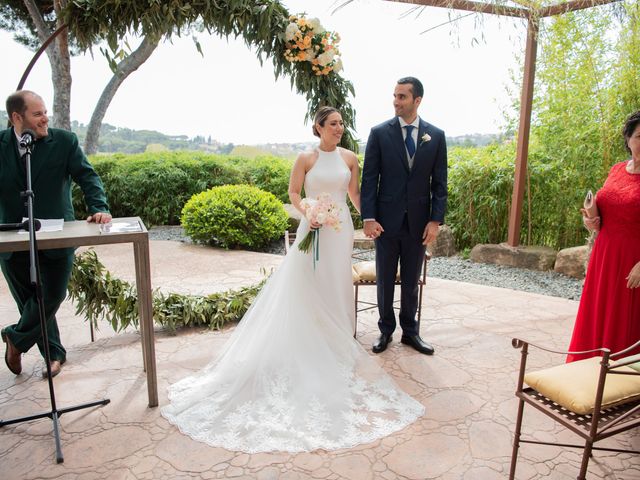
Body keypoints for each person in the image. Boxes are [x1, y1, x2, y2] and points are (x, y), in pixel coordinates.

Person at [162, 106, 424, 453]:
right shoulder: (305, 158)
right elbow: (294, 194)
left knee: (337, 282)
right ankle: (310, 340)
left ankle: (338, 342)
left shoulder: (349, 158)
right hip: (313, 228)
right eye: (333, 124)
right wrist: (308, 213)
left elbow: (356, 195)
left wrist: (370, 219)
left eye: (342, 124)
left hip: (340, 228)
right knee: (309, 281)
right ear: (318, 127)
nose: (339, 129)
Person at [0, 90, 111, 378]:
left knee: (52, 294)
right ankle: (54, 354)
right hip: (11, 240)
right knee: (30, 301)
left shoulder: (64, 141)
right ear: (16, 117)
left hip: (57, 236)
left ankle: (15, 338)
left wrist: (99, 208)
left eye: (45, 111)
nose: (44, 118)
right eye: (37, 114)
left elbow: (87, 176)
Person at [360, 77, 448, 355]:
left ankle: (411, 332)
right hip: (385, 223)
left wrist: (435, 221)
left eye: (402, 97)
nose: (396, 101)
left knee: (411, 282)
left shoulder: (436, 136)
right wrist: (369, 217)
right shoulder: (379, 133)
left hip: (419, 224)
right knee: (385, 280)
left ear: (417, 100)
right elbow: (369, 179)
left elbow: (440, 184)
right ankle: (385, 331)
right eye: (395, 96)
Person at [567, 110, 640, 362]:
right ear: (628, 139)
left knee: (624, 320)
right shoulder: (617, 170)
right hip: (605, 254)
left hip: (633, 261)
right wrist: (591, 219)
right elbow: (606, 216)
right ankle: (586, 375)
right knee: (597, 313)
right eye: (639, 136)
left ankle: (617, 386)